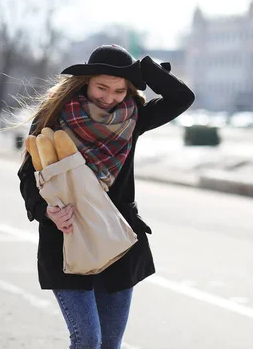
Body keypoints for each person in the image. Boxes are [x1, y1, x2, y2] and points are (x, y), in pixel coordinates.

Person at [17, 44, 195, 349]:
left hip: (117, 241)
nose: (110, 97)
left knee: (110, 343)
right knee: (87, 340)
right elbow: (27, 177)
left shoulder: (134, 118)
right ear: (85, 81)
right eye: (102, 87)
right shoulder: (53, 117)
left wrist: (144, 70)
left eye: (119, 90)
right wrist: (46, 211)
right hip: (67, 238)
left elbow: (182, 98)